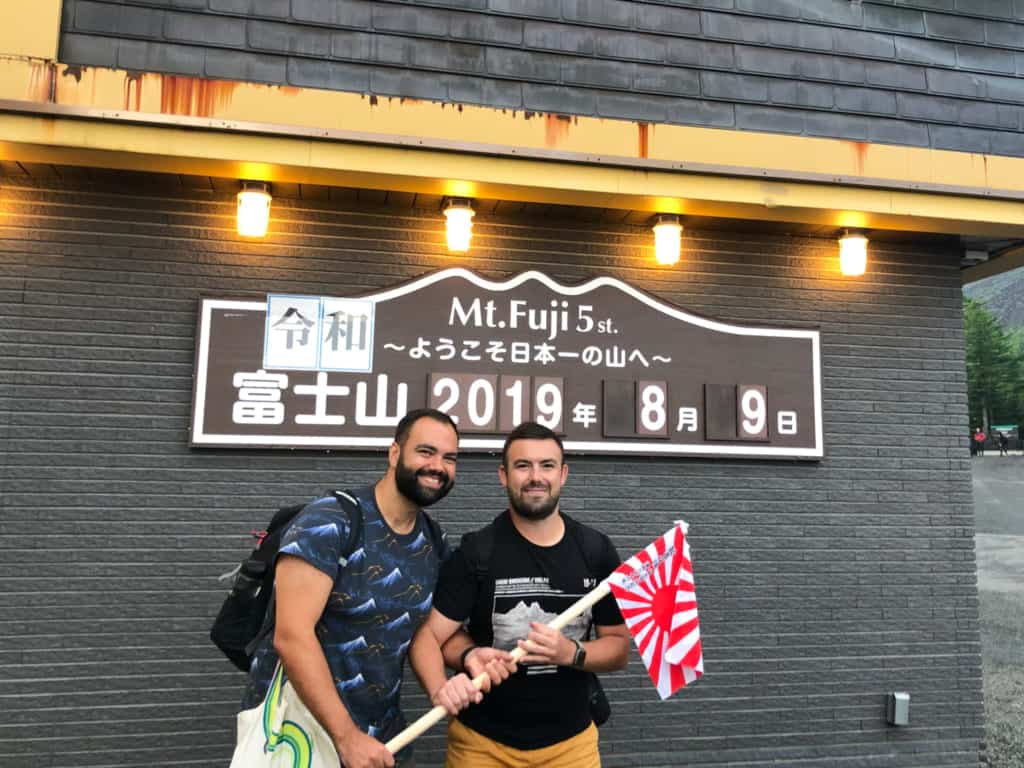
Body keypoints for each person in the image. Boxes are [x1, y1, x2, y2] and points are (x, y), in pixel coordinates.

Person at [239, 408, 462, 768]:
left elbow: (417, 629)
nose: (438, 466)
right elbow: (291, 635)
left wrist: (440, 688)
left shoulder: (433, 540)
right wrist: (345, 736)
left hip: (383, 739)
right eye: (426, 451)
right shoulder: (330, 521)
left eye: (449, 458)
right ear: (394, 453)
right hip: (300, 735)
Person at [409, 422, 630, 768]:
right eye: (522, 465)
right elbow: (429, 636)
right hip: (480, 746)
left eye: (547, 465)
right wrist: (456, 669)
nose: (535, 477)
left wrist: (572, 652)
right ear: (503, 475)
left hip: (571, 746)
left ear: (564, 474)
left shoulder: (595, 550)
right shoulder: (477, 552)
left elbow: (618, 647)